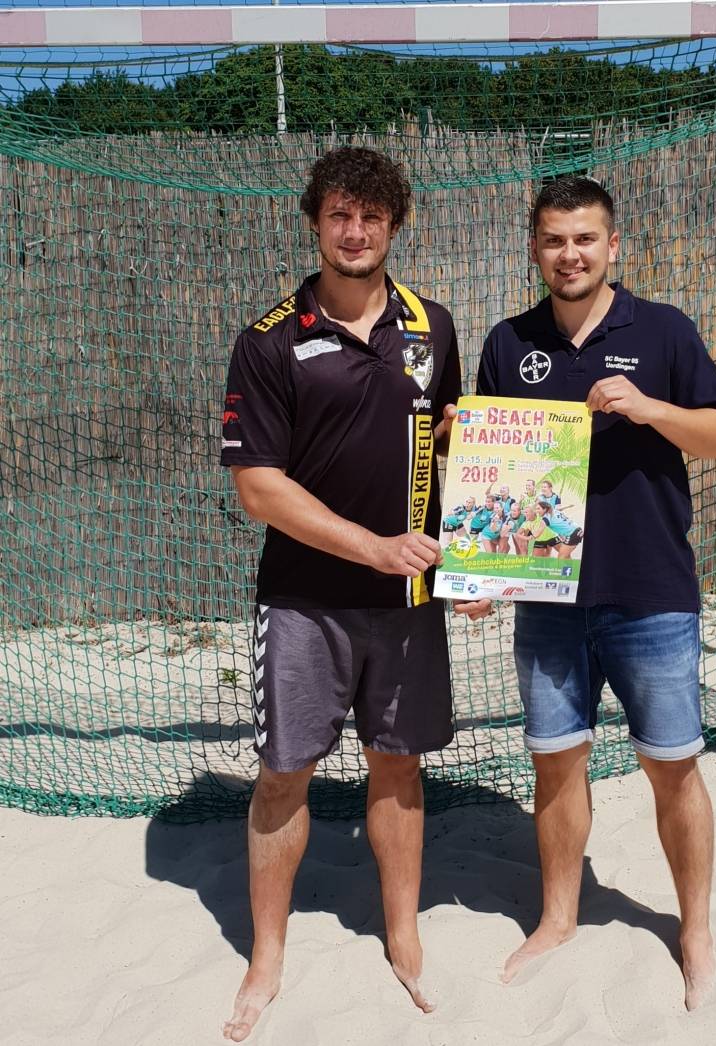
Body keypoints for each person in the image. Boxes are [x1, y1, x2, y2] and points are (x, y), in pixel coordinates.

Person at [219, 146, 485, 1041]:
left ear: (396, 224)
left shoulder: (432, 326)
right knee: (284, 774)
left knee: (398, 763)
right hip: (302, 601)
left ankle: (403, 934)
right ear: (315, 222)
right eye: (340, 214)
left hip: (408, 602)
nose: (356, 230)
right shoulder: (269, 340)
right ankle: (266, 956)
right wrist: (370, 546)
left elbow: (453, 457)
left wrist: (476, 564)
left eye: (373, 216)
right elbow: (259, 486)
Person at [475, 176, 716, 1010]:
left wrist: (651, 406)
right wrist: (482, 571)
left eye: (585, 238)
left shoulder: (661, 329)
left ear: (613, 244)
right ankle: (558, 918)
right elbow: (495, 473)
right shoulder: (508, 343)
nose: (570, 254)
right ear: (535, 248)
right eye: (554, 240)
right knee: (555, 764)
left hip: (651, 591)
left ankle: (693, 929)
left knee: (672, 769)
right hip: (548, 600)